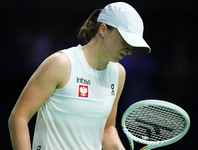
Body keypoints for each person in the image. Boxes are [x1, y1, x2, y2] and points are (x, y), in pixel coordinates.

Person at [8, 2, 150, 150]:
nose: (129, 50)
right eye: (125, 40)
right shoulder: (61, 64)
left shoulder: (118, 74)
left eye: (133, 44)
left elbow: (107, 130)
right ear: (103, 29)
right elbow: (18, 117)